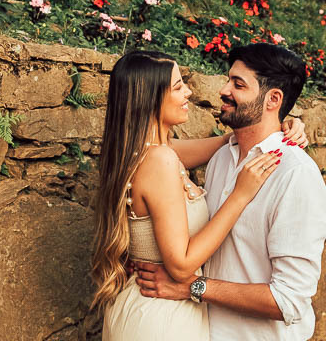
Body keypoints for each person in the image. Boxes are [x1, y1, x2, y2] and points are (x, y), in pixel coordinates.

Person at [90, 50, 309, 340]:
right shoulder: (161, 161)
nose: (189, 92)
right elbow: (181, 265)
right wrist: (240, 195)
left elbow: (229, 140)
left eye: (238, 84)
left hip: (149, 307)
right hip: (161, 317)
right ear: (150, 97)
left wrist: (278, 126)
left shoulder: (145, 151)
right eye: (178, 86)